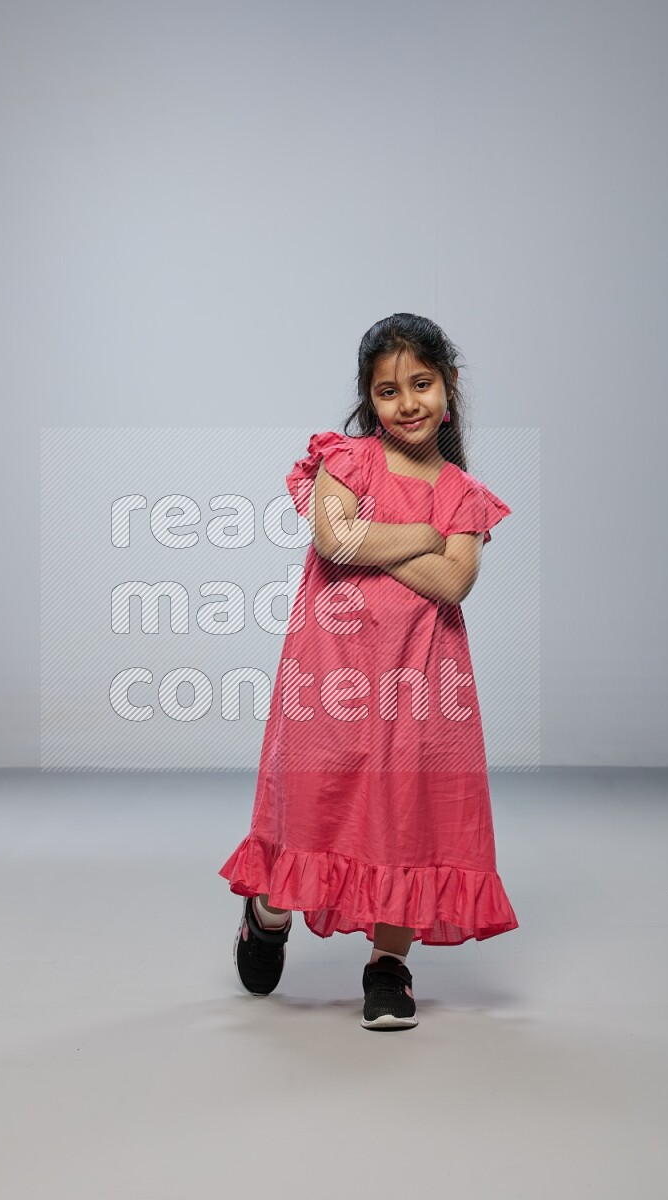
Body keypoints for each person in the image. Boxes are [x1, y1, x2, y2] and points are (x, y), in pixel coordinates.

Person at [219, 312, 519, 1031]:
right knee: (314, 800)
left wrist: (375, 538)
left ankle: (388, 966)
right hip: (332, 676)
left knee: (408, 817)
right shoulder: (346, 461)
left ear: (448, 388)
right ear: (369, 399)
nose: (407, 403)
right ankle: (268, 912)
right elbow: (334, 538)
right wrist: (425, 535)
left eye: (422, 384)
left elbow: (454, 582)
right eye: (388, 391)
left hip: (423, 683)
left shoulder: (464, 492)